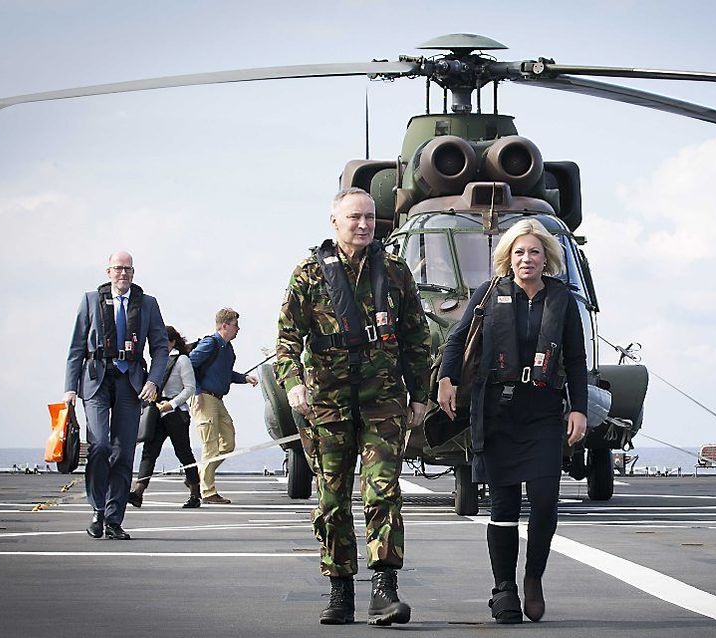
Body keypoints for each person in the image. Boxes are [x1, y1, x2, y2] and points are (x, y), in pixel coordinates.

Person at [276, 187, 432, 626]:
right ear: (335, 221)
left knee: (383, 490)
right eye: (354, 218)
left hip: (382, 399)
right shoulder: (309, 274)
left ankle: (385, 589)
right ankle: (340, 589)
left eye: (369, 218)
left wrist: (418, 395)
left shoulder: (396, 272)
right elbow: (287, 342)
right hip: (327, 402)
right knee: (332, 498)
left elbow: (416, 339)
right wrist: (293, 385)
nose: (363, 225)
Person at [437, 219, 588, 623]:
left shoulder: (562, 299)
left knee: (544, 504)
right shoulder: (489, 294)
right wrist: (446, 380)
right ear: (508, 256)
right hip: (497, 409)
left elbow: (575, 358)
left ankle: (533, 577)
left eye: (535, 252)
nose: (527, 259)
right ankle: (503, 589)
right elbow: (457, 338)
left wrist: (579, 408)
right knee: (503, 503)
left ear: (546, 259)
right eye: (519, 252)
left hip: (542, 411)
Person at [64, 250, 169, 541]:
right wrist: (70, 388)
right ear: (108, 271)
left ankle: (113, 519)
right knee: (98, 445)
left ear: (133, 273)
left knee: (123, 452)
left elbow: (160, 348)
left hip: (130, 381)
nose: (123, 273)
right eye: (118, 268)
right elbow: (75, 346)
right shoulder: (89, 301)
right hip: (96, 379)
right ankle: (97, 509)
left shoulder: (147, 304)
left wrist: (153, 381)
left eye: (128, 269)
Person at [189, 308, 257, 504]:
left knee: (228, 443)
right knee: (210, 445)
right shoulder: (210, 343)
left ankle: (200, 475)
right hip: (205, 397)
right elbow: (189, 364)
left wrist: (244, 378)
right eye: (235, 325)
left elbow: (226, 374)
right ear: (224, 325)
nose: (238, 329)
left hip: (218, 399)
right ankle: (208, 492)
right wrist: (196, 392)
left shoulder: (228, 349)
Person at [129, 326, 201, 509]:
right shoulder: (157, 360)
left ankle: (195, 492)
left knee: (183, 452)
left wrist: (172, 404)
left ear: (172, 342)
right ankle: (138, 492)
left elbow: (190, 388)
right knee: (149, 451)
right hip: (157, 410)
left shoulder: (182, 360)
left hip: (176, 412)